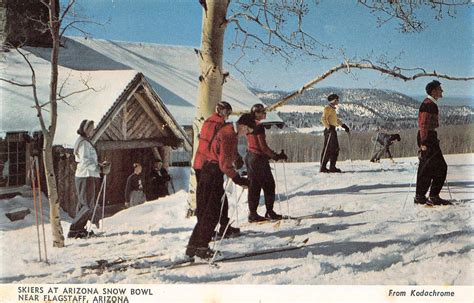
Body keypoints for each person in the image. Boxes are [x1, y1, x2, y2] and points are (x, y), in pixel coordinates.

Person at [186, 113, 254, 259]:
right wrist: (239, 180)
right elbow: (224, 165)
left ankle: (193, 247)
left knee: (205, 212)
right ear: (242, 125)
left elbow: (224, 154)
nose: (246, 134)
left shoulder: (228, 129)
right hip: (212, 173)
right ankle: (202, 248)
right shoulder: (229, 134)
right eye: (247, 130)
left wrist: (236, 159)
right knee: (212, 213)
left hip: (207, 171)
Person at [193, 101, 242, 239]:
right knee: (216, 198)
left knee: (205, 199)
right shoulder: (220, 125)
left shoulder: (208, 121)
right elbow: (220, 147)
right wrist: (234, 157)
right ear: (222, 111)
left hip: (199, 163)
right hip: (210, 165)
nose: (228, 116)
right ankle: (218, 228)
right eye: (227, 113)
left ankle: (210, 228)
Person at [246, 103, 287, 222]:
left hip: (250, 156)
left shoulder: (249, 124)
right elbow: (263, 147)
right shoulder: (258, 127)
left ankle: (253, 214)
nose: (265, 114)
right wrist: (275, 156)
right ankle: (269, 211)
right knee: (269, 185)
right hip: (258, 158)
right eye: (262, 112)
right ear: (257, 113)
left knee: (254, 186)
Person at [414, 80, 451, 206]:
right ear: (434, 91)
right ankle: (432, 196)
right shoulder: (429, 104)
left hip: (429, 136)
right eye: (440, 89)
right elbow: (423, 124)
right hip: (427, 137)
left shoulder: (429, 103)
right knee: (438, 167)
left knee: (427, 167)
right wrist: (424, 142)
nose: (442, 91)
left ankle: (421, 196)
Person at [69, 120, 103, 239]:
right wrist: (98, 168)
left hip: (86, 175)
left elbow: (89, 160)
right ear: (85, 129)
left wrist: (99, 165)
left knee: (84, 203)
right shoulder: (83, 143)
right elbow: (85, 161)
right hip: (85, 175)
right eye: (91, 128)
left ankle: (79, 229)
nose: (92, 131)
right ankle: (74, 230)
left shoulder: (85, 142)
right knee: (87, 205)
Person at [320, 94, 350, 173]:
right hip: (329, 131)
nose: (338, 101)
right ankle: (324, 167)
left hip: (332, 130)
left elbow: (336, 120)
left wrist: (344, 126)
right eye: (337, 100)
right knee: (328, 149)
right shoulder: (327, 108)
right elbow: (323, 119)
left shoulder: (333, 110)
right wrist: (328, 127)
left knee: (334, 149)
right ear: (333, 100)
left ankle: (332, 167)